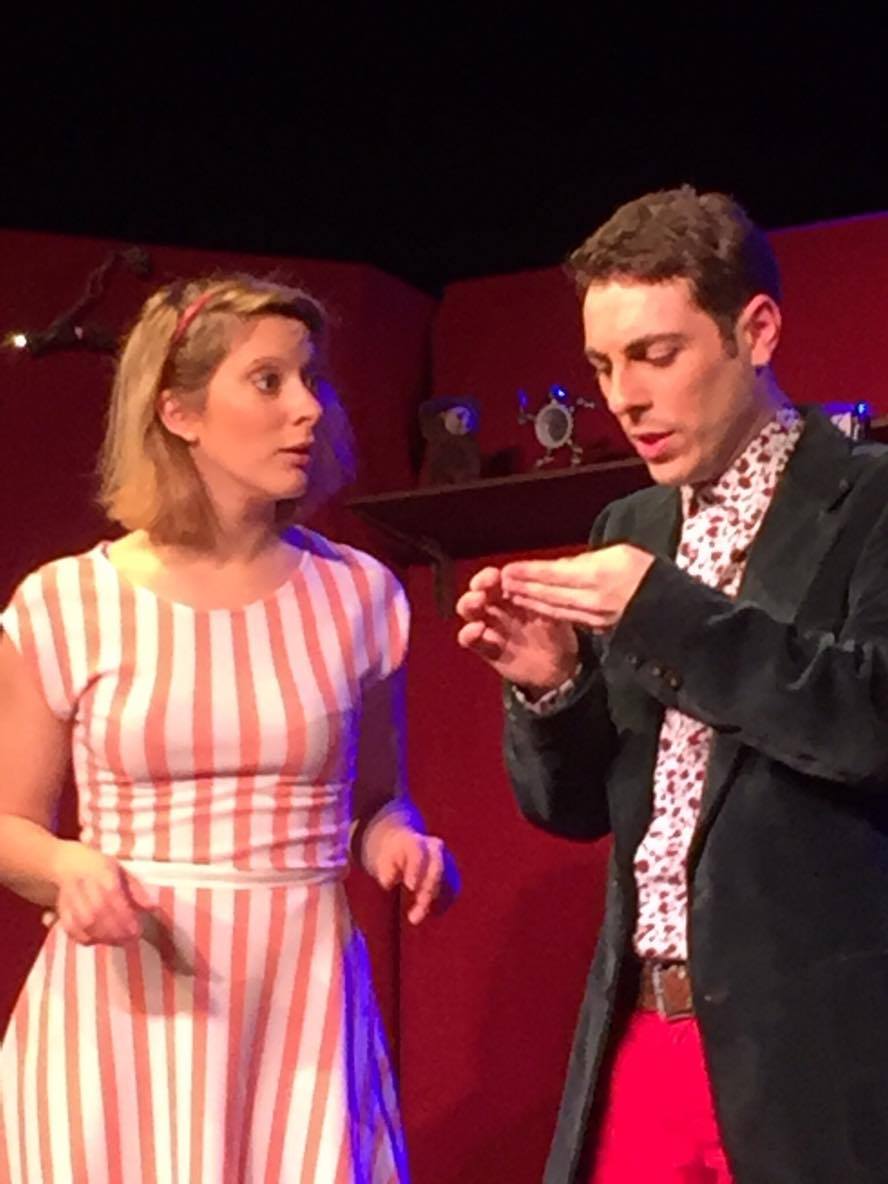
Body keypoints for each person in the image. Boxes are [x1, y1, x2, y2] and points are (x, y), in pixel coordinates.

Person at [456, 186, 888, 1183]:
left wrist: (664, 613)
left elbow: (868, 721)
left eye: (656, 354)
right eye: (604, 365)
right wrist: (552, 687)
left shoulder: (869, 501)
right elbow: (577, 809)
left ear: (757, 330)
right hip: (647, 1030)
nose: (626, 397)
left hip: (816, 1053)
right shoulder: (631, 527)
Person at [0, 274, 456, 1182]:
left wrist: (400, 844)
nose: (308, 408)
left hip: (298, 1012)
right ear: (178, 412)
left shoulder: (357, 596)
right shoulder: (68, 603)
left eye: (312, 379)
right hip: (123, 1017)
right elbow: (9, 825)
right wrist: (70, 867)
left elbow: (377, 805)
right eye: (268, 381)